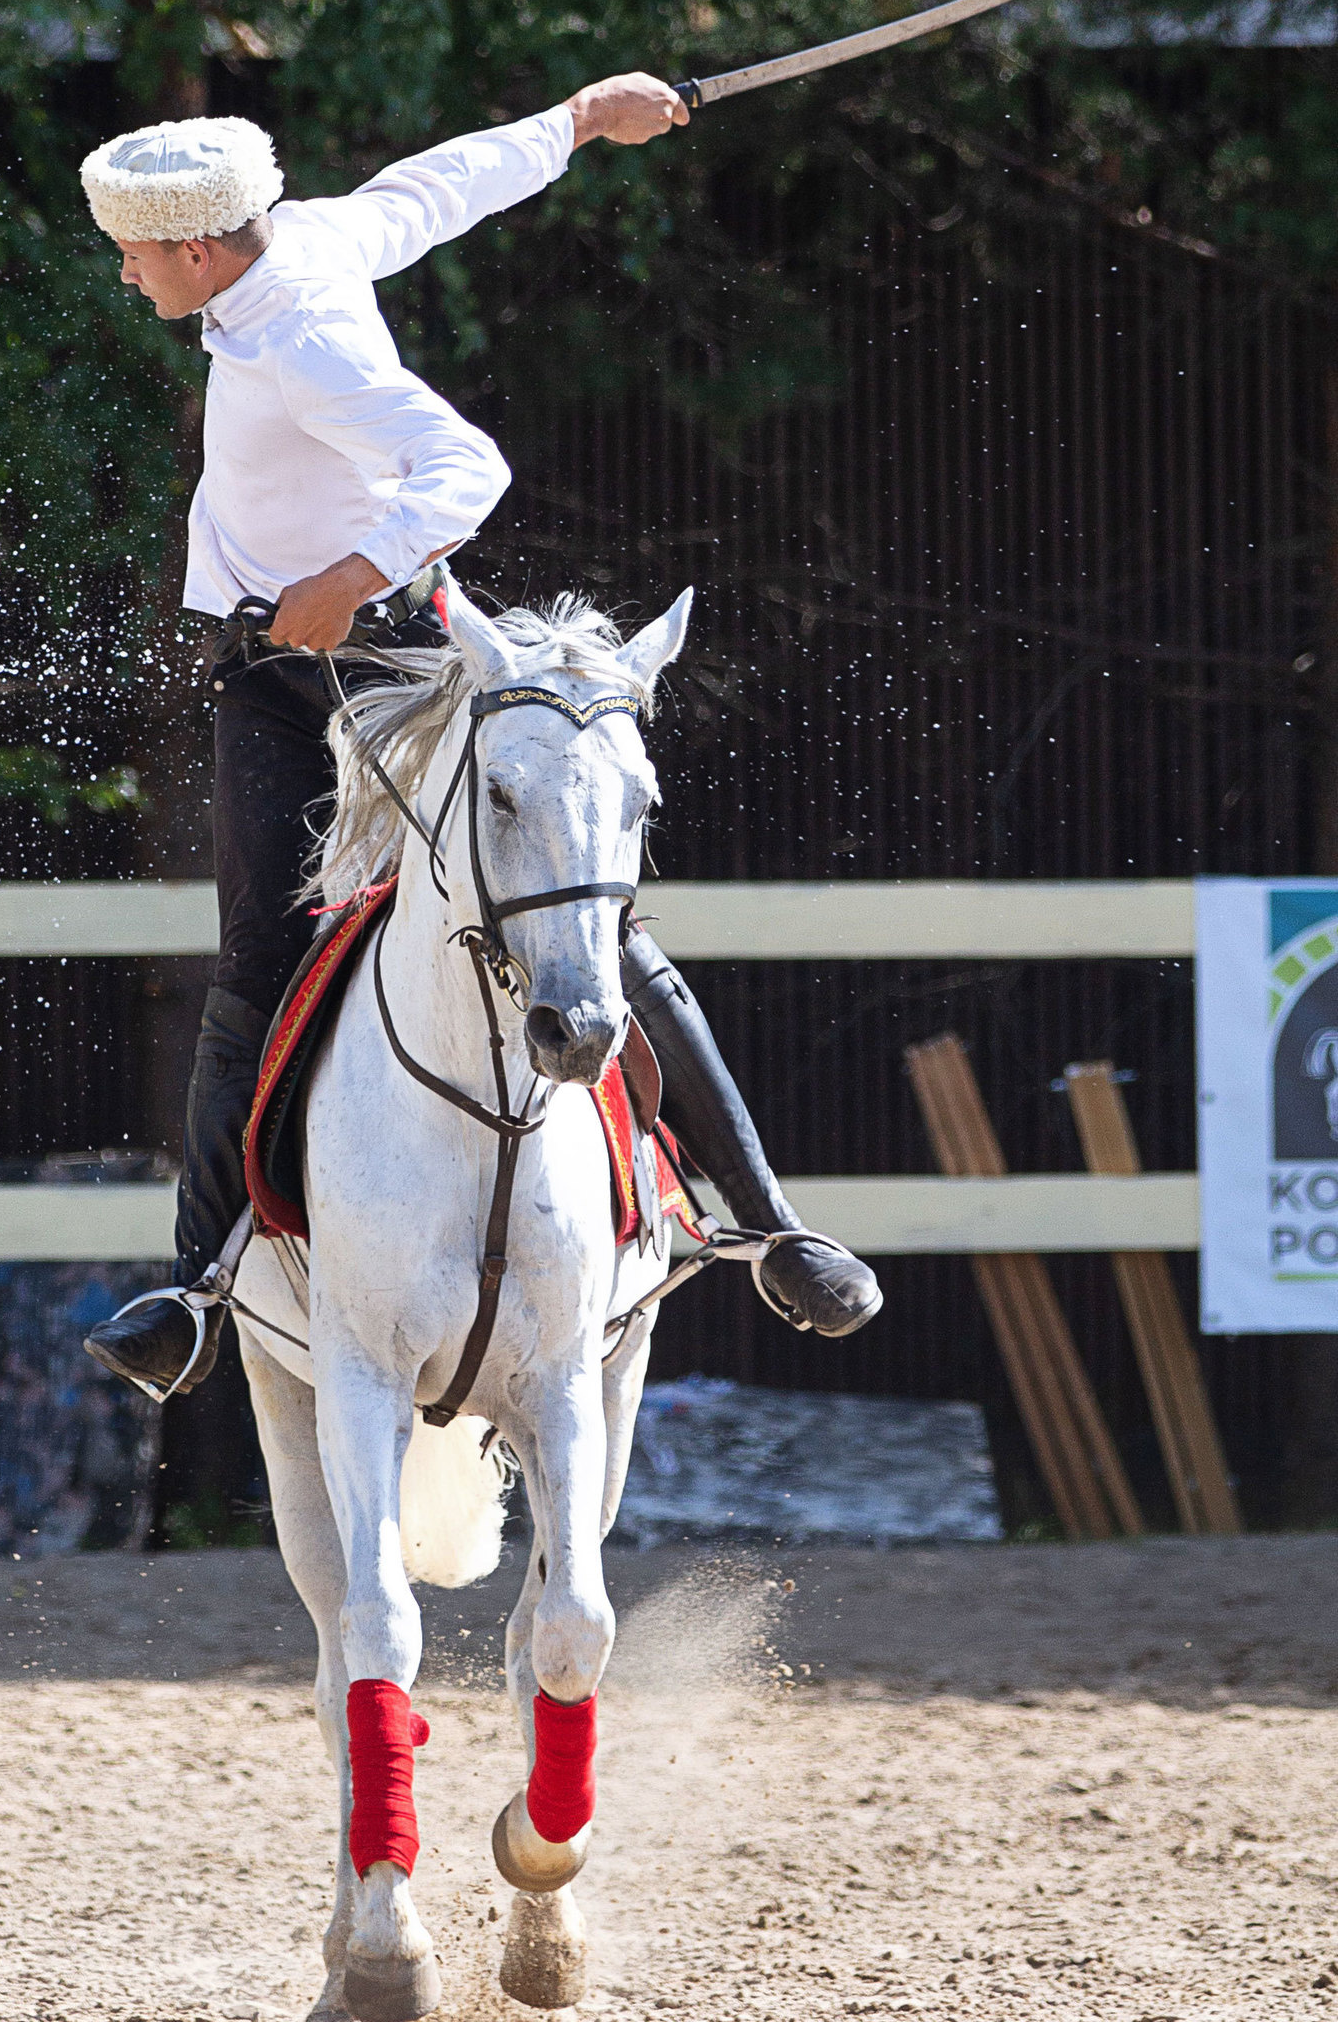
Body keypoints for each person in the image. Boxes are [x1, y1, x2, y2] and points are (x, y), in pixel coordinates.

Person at [77, 76, 881, 1395]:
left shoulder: (307, 331)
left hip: (382, 658)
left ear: (202, 248)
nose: (125, 272)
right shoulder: (299, 245)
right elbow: (438, 189)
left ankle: (775, 1228)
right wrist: (575, 121)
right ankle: (200, 1288)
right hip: (268, 673)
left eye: (134, 251)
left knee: (590, 926)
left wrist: (358, 568)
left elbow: (466, 468)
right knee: (257, 957)